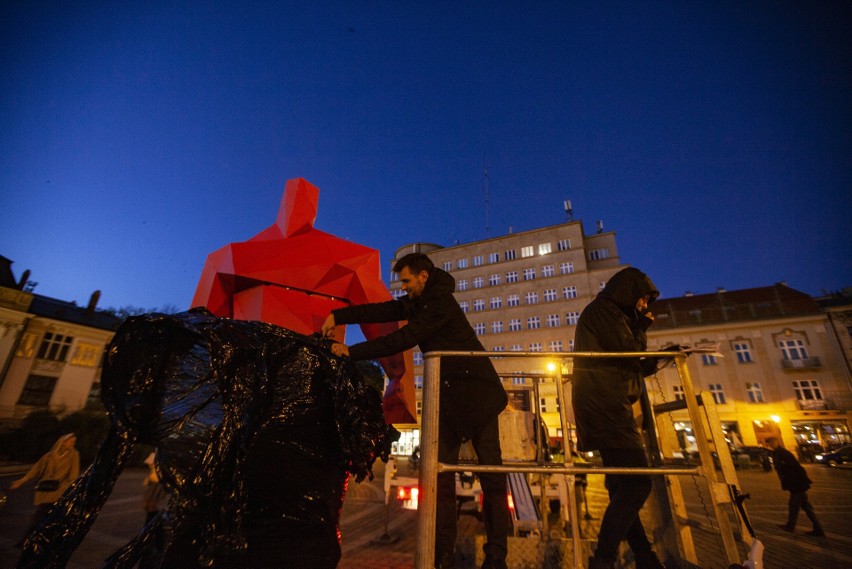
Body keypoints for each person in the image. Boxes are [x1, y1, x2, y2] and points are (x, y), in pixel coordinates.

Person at [321, 252, 509, 569]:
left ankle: (496, 558)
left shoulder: (439, 305)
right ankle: (442, 558)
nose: (404, 287)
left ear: (423, 276)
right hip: (448, 401)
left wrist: (350, 351)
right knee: (440, 485)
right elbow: (385, 311)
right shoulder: (418, 301)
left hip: (479, 398)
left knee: (491, 479)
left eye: (407, 281)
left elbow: (404, 337)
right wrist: (338, 316)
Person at [571, 267, 666, 569]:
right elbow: (630, 353)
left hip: (605, 404)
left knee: (622, 488)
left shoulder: (611, 314)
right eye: (642, 299)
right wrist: (641, 328)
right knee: (637, 485)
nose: (644, 307)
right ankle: (603, 558)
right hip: (606, 407)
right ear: (629, 291)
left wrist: (655, 352)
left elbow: (630, 362)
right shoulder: (605, 312)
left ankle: (644, 556)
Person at [9, 433, 80, 545]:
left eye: (74, 442)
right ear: (63, 442)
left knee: (47, 516)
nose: (73, 444)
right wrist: (20, 482)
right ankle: (32, 541)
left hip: (59, 491)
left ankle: (32, 541)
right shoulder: (49, 456)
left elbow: (73, 476)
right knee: (42, 516)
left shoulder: (74, 455)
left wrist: (69, 488)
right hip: (45, 490)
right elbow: (35, 470)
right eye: (70, 442)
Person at [765, 436, 825, 537]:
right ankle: (818, 529)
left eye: (771, 443)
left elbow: (793, 467)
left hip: (797, 483)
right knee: (806, 507)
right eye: (769, 444)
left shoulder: (782, 452)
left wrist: (791, 480)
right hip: (795, 483)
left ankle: (790, 526)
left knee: (793, 505)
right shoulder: (777, 452)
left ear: (776, 442)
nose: (770, 445)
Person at [140, 452, 167, 569]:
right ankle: (159, 538)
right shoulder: (153, 473)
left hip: (155, 494)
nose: (150, 466)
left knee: (151, 514)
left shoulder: (158, 474)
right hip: (153, 493)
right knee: (151, 513)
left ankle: (153, 536)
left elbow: (157, 493)